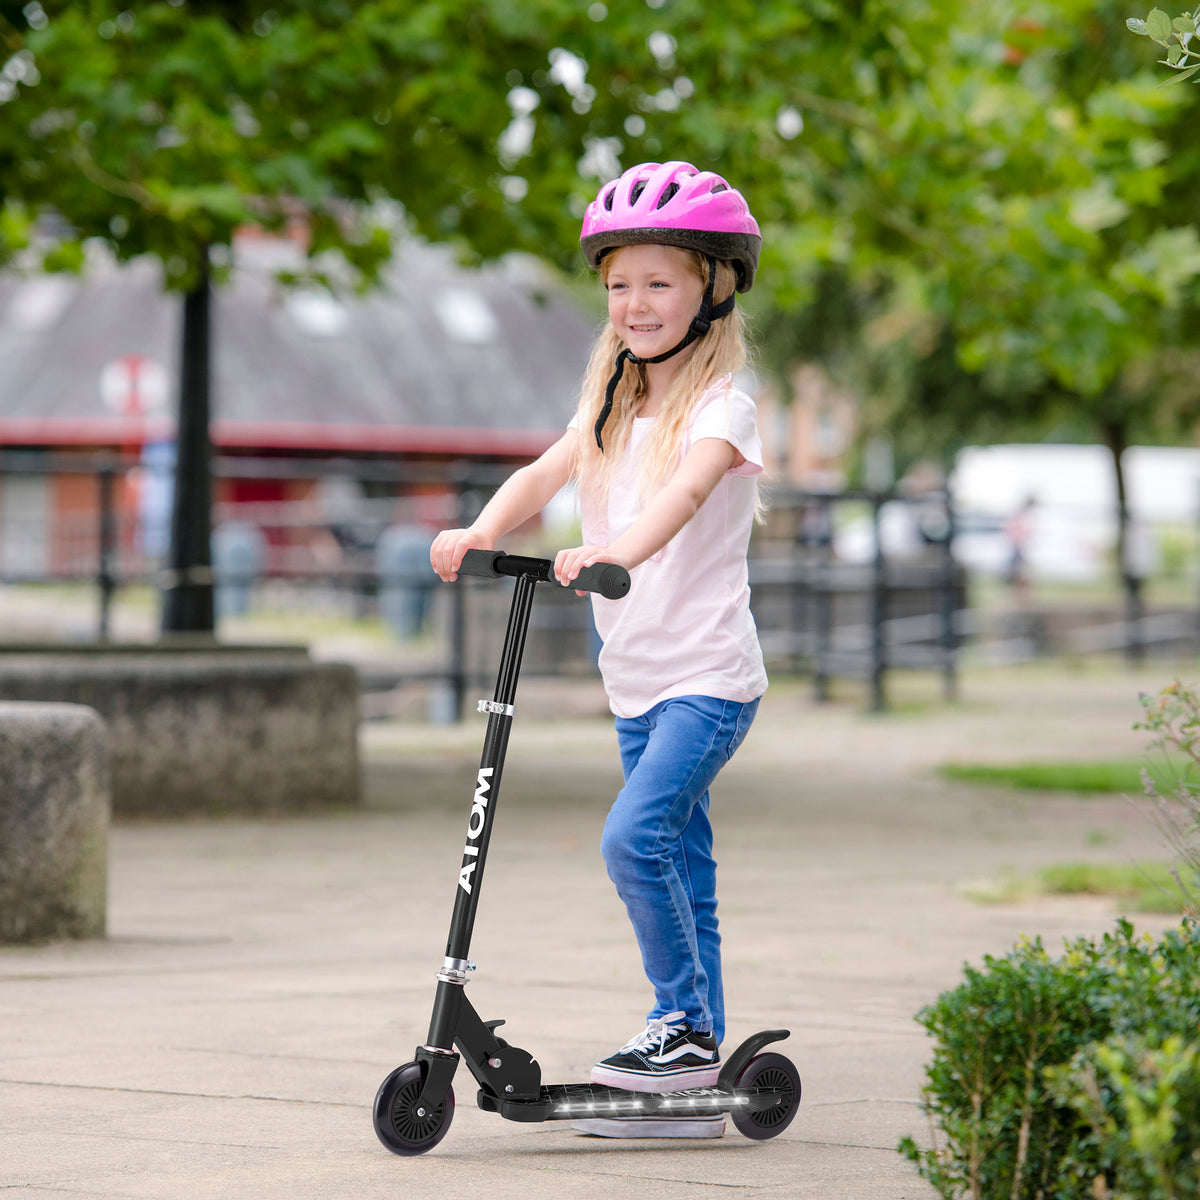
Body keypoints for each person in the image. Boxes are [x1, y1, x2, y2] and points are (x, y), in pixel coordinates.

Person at [430, 160, 768, 1139]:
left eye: (659, 281)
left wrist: (611, 552)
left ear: (713, 286)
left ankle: (678, 1033)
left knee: (634, 839)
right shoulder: (611, 408)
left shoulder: (721, 409)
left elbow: (683, 497)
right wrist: (479, 531)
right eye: (620, 283)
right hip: (638, 684)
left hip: (709, 681)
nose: (635, 302)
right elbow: (543, 474)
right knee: (681, 862)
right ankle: (694, 1059)